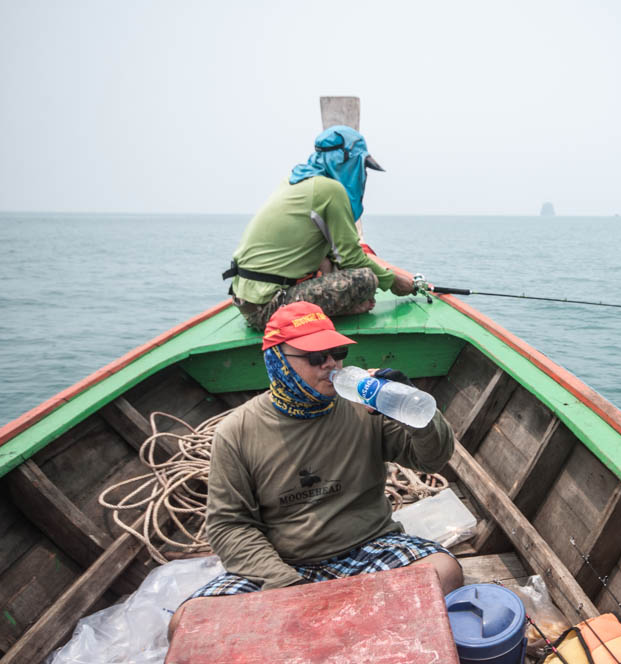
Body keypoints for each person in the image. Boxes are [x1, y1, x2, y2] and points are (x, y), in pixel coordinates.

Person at [170, 301, 461, 635]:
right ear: (278, 360)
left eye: (336, 352)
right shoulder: (237, 431)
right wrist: (285, 585)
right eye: (314, 357)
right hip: (284, 564)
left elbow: (432, 458)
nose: (330, 364)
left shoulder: (365, 405)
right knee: (187, 624)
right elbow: (228, 526)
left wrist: (412, 406)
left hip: (368, 546)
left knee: (443, 571)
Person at [223, 126, 415, 330]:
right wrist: (394, 282)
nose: (362, 173)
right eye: (361, 166)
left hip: (246, 301)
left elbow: (335, 256)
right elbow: (352, 258)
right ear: (346, 162)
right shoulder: (329, 190)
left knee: (327, 262)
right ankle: (339, 311)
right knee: (366, 280)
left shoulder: (293, 181)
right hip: (268, 309)